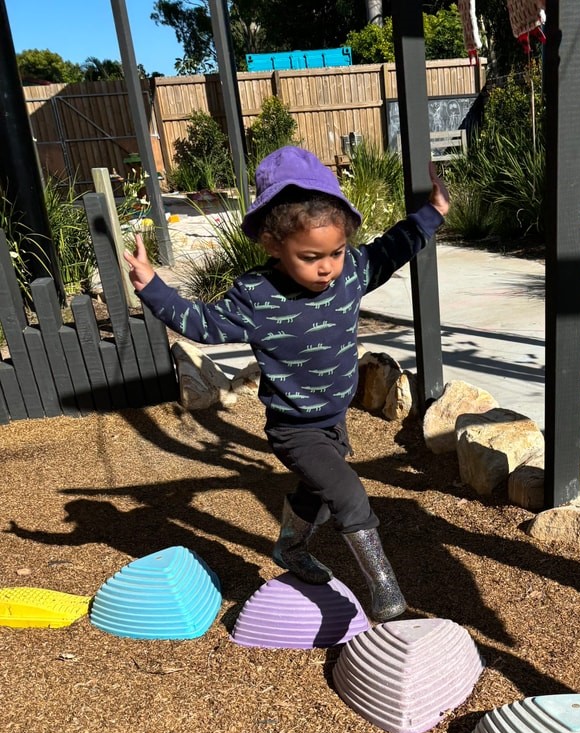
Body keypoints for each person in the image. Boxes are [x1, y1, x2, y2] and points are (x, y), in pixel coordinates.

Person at [124, 145, 450, 622]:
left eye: (336, 252)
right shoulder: (257, 295)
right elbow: (202, 324)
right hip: (294, 429)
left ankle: (290, 548)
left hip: (334, 419)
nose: (327, 267)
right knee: (347, 494)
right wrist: (152, 285)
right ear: (273, 244)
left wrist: (434, 211)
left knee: (316, 494)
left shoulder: (352, 272)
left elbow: (395, 246)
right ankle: (386, 591)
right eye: (310, 256)